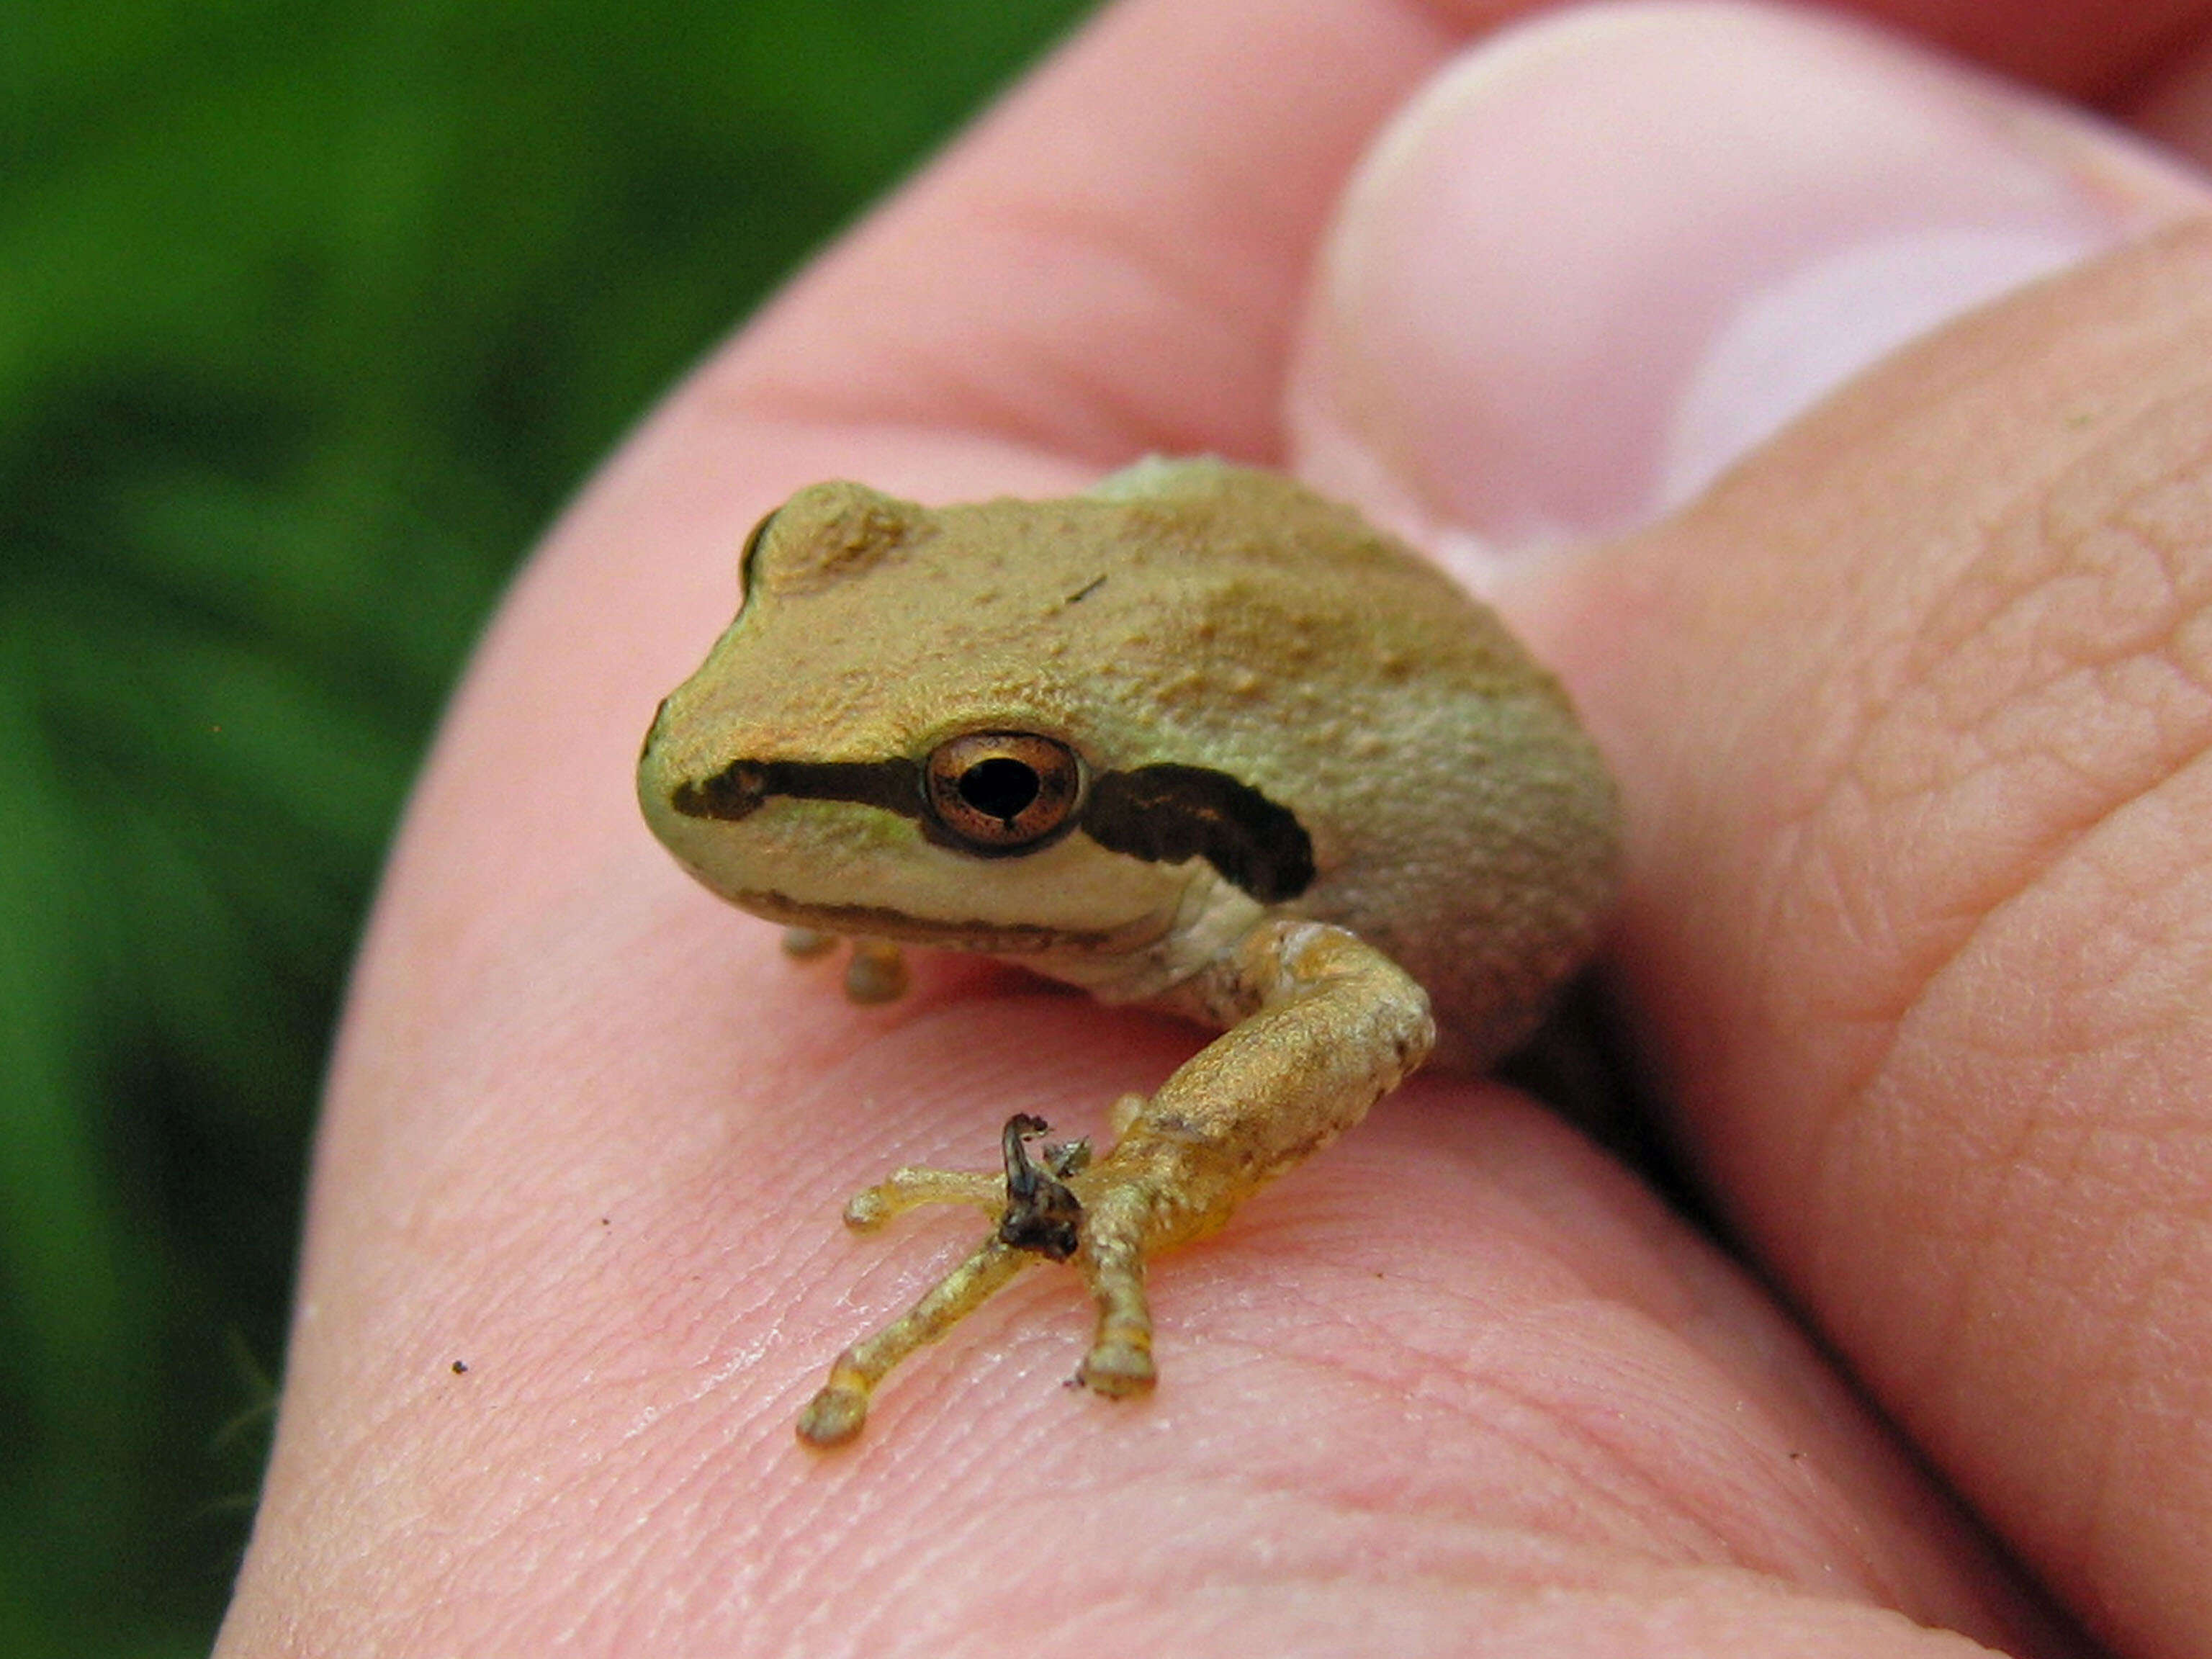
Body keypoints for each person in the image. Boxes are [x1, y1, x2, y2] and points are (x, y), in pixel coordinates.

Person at [216, 3, 2212, 1653]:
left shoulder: (1242, 915)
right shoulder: (918, 722)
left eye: (989, 799)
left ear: (1091, 820)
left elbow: (1354, 1017)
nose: (694, 759)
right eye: (793, 569)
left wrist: (1136, 1178)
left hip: (1586, 1023)